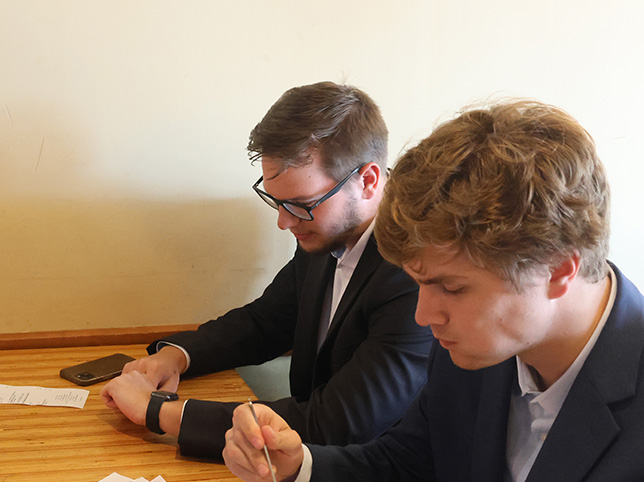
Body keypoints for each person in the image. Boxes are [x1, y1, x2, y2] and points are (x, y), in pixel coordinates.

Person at [223, 99, 644, 482]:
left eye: (452, 287)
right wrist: (300, 467)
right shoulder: (476, 347)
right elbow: (410, 461)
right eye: (421, 283)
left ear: (557, 269)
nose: (425, 315)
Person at [100, 81, 434, 460]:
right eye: (276, 202)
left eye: (300, 204)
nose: (283, 222)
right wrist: (175, 357)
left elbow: (340, 422)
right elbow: (267, 321)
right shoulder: (323, 230)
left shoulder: (418, 272)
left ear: (368, 181)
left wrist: (158, 412)